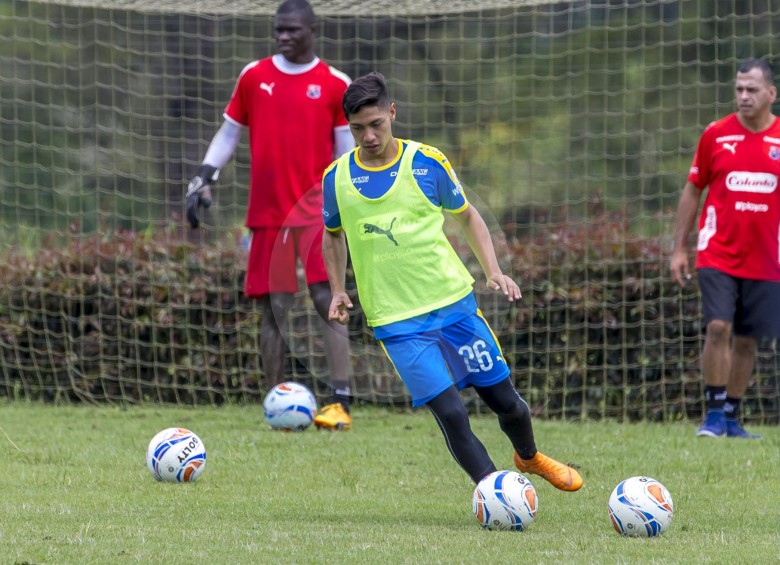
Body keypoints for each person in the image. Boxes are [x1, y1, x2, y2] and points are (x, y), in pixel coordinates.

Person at [321, 71, 583, 490]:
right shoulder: (336, 179)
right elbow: (333, 236)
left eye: (376, 124)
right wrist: (337, 288)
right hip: (397, 323)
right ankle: (495, 491)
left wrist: (494, 270)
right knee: (452, 414)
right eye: (357, 129)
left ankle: (529, 458)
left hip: (454, 306)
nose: (369, 136)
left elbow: (467, 217)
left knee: (507, 405)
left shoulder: (426, 162)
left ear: (392, 112)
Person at [186, 0, 354, 430]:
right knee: (274, 308)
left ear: (312, 30)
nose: (283, 36)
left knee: (325, 299)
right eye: (279, 29)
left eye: (292, 30)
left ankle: (340, 401)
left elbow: (346, 154)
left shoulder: (335, 84)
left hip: (318, 214)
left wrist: (347, 207)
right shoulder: (254, 76)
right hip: (267, 214)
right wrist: (205, 175)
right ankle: (274, 399)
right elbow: (228, 133)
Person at [670, 58, 780, 439]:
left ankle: (732, 418)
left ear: (771, 94)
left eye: (751, 89)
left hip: (767, 260)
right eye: (739, 89)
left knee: (748, 338)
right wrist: (678, 249)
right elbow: (692, 190)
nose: (744, 96)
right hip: (716, 252)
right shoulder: (716, 134)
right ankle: (714, 415)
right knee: (718, 327)